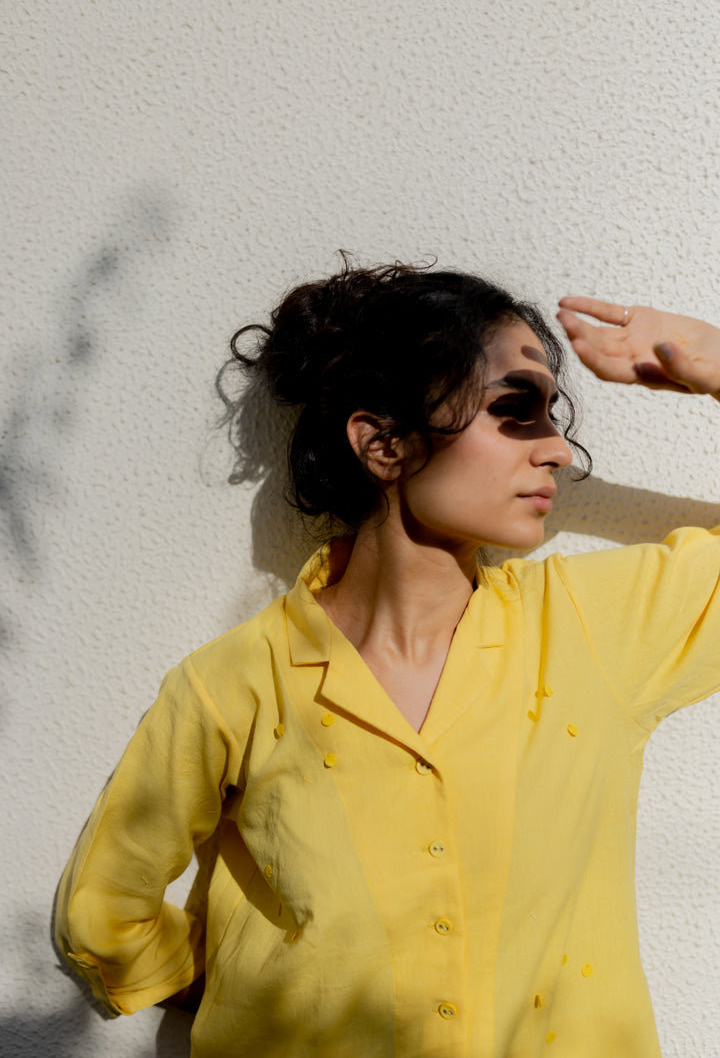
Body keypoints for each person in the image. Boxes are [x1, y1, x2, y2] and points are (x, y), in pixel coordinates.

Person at [54, 260, 720, 1058]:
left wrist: (714, 362)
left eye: (552, 416)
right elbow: (104, 913)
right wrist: (252, 984)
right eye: (515, 411)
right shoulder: (232, 685)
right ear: (383, 443)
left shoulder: (594, 629)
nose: (556, 451)